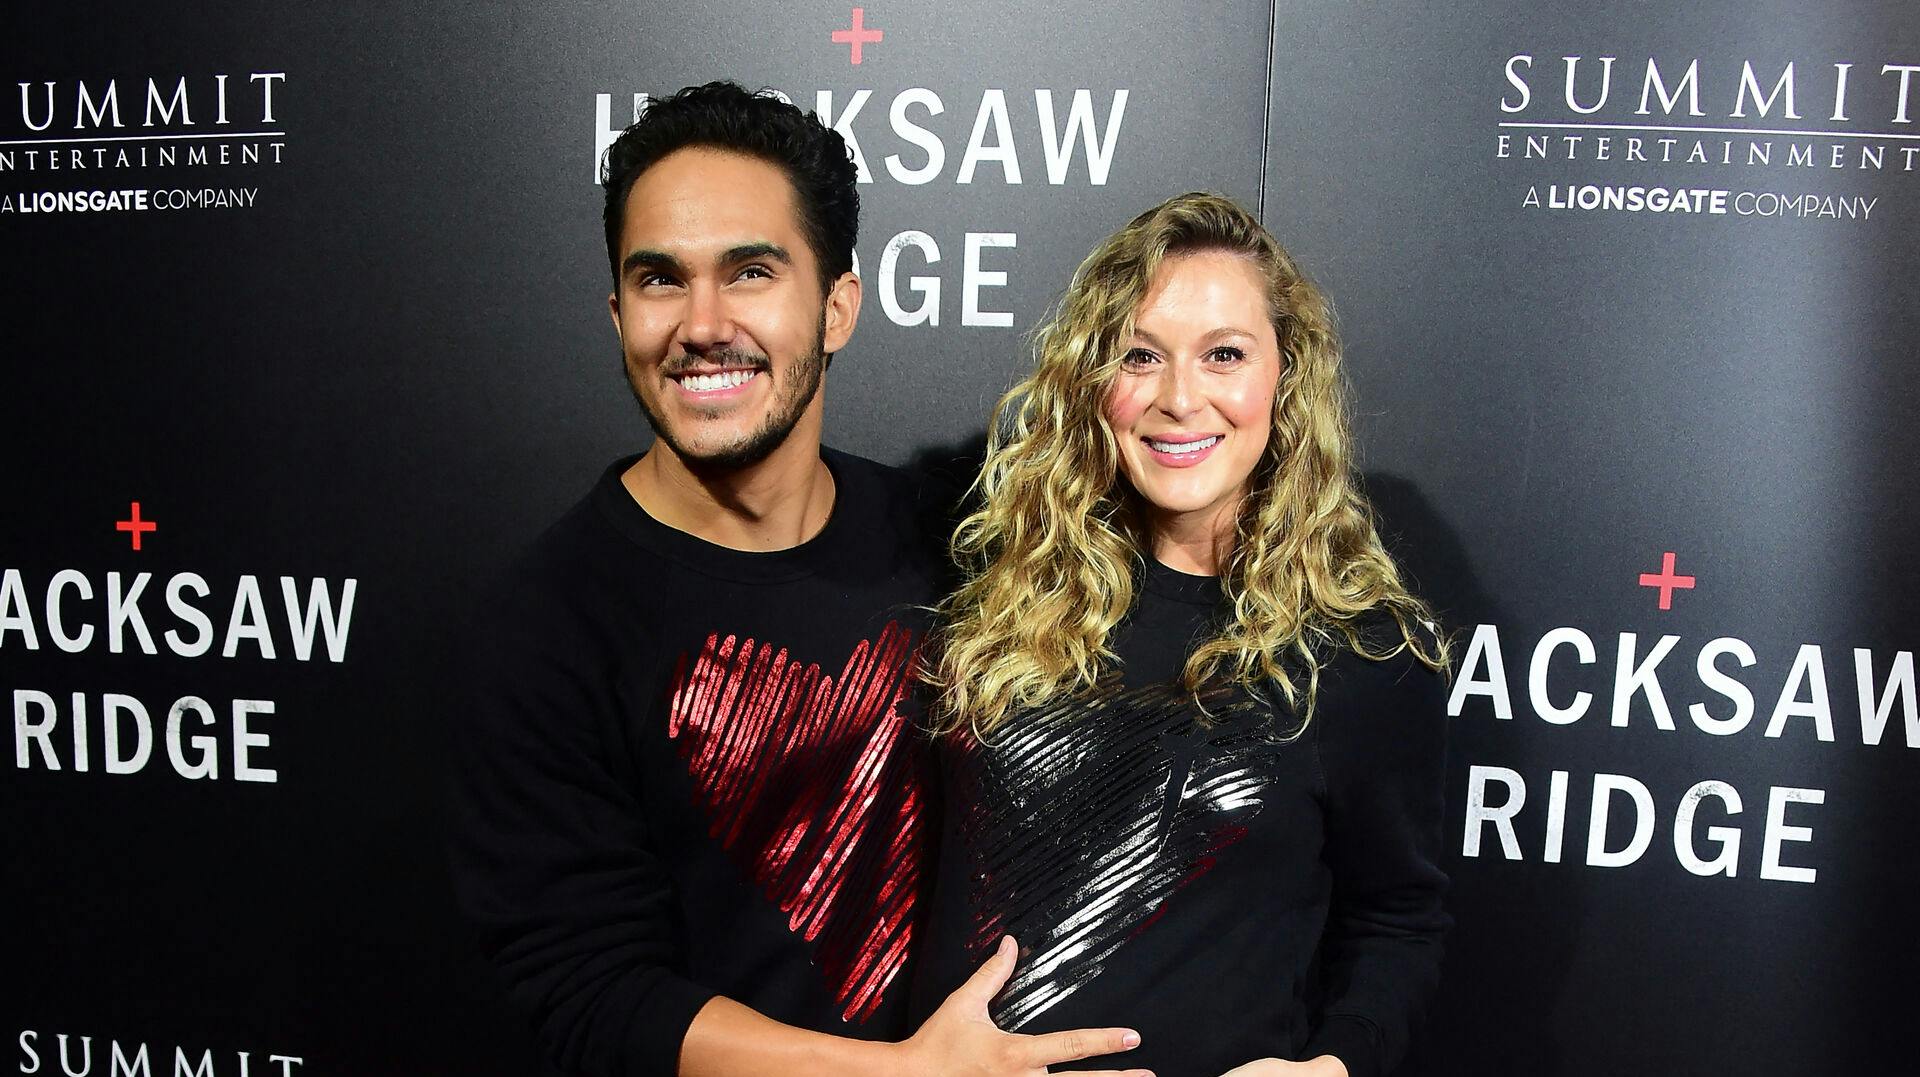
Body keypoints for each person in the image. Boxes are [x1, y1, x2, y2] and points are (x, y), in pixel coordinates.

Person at [448, 82, 1147, 1077]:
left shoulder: (954, 531)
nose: (702, 323)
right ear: (616, 313)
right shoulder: (543, 629)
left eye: (749, 273)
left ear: (836, 308)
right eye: (659, 280)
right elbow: (593, 995)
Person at [920, 193, 1452, 1077]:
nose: (1177, 398)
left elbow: (1398, 918)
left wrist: (1332, 1068)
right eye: (1140, 355)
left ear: (1285, 379)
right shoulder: (1003, 588)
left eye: (1225, 356)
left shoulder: (1362, 654)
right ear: (1094, 381)